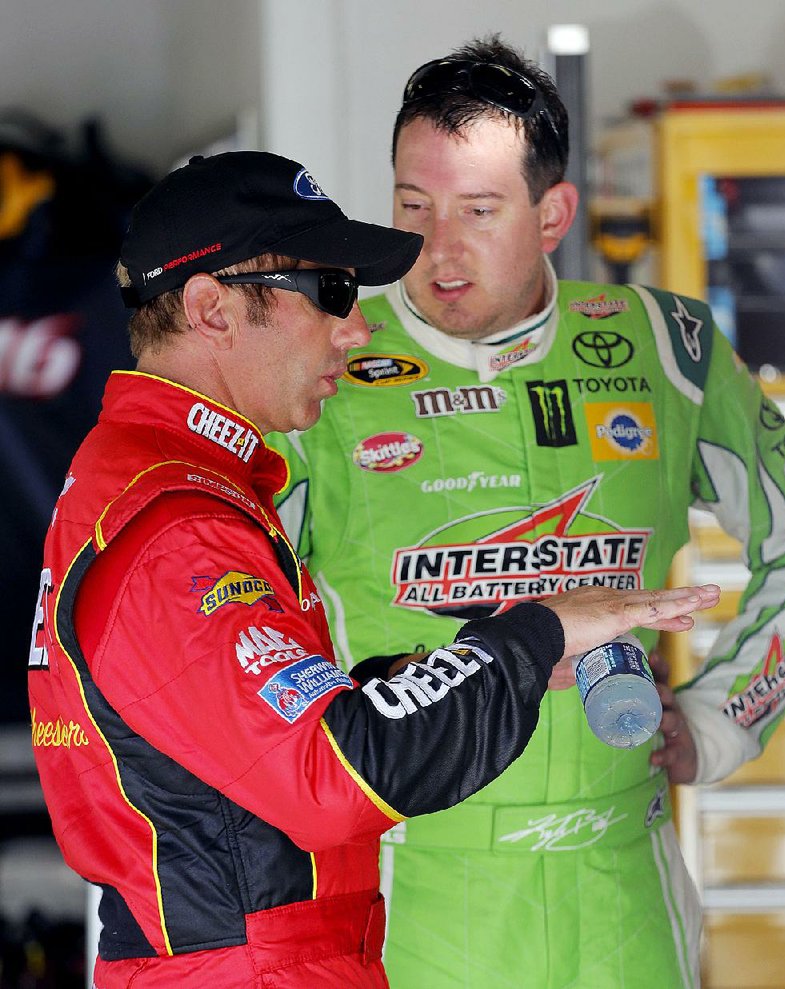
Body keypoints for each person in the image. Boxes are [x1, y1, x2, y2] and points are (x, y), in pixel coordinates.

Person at [25, 150, 718, 989]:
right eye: (331, 292)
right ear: (211, 307)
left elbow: (257, 736)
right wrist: (535, 635)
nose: (356, 330)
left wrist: (500, 655)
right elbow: (328, 772)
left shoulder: (168, 482)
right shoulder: (180, 524)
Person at [267, 36, 785, 989]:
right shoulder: (327, 369)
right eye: (412, 207)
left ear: (553, 212)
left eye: (477, 211)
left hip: (623, 890)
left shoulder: (662, 349)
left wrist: (723, 721)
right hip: (411, 890)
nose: (437, 250)